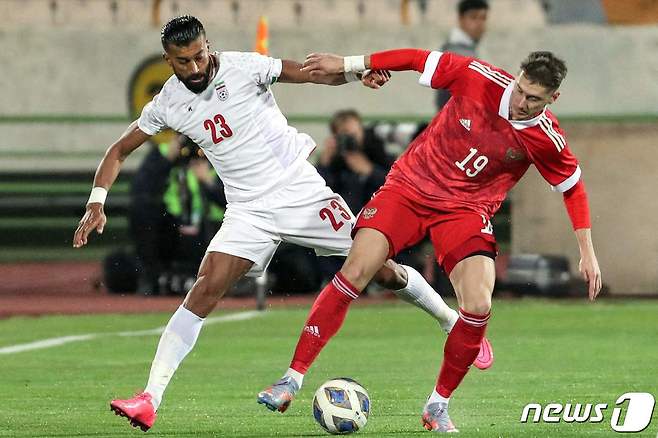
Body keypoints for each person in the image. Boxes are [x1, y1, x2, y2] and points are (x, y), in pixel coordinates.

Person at [72, 16, 491, 432]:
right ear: (169, 60)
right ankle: (150, 398)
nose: (196, 68)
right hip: (248, 210)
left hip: (299, 191)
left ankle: (447, 319)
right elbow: (118, 150)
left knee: (380, 270)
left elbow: (307, 72)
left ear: (208, 45)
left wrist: (356, 72)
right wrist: (97, 201)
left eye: (199, 56)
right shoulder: (166, 103)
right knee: (206, 287)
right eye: (184, 62)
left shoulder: (243, 67)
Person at [258, 49, 602, 432]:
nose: (520, 102)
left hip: (466, 211)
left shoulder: (546, 138)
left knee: (478, 303)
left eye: (533, 98)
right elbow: (415, 58)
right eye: (520, 89)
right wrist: (349, 65)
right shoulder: (478, 77)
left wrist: (587, 253)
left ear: (553, 98)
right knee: (355, 270)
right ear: (517, 77)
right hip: (409, 187)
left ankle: (437, 405)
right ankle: (291, 378)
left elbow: (573, 190)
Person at [129, 133, 226, 295]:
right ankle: (152, 276)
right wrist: (166, 161)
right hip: (173, 229)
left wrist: (209, 184)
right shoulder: (162, 153)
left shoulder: (221, 157)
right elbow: (140, 190)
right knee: (142, 210)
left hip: (211, 229)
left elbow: (236, 201)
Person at [317, 109, 393, 214]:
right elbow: (319, 191)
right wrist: (324, 162)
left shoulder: (377, 152)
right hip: (344, 217)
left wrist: (370, 171)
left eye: (354, 134)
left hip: (375, 215)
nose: (352, 140)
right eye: (346, 136)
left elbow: (394, 187)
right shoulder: (333, 161)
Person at [436, 0, 489, 110]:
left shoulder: (463, 49)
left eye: (483, 18)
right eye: (473, 17)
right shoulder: (458, 54)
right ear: (461, 19)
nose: (479, 23)